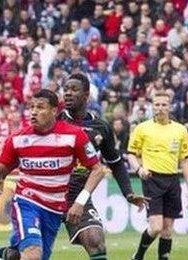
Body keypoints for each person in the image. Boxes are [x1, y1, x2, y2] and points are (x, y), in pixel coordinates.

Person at [0, 89, 107, 260]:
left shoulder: (74, 136)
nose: (34, 111)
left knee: (32, 257)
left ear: (54, 111)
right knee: (33, 255)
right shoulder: (17, 139)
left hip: (54, 209)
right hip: (27, 202)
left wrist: (79, 202)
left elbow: (98, 169)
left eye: (40, 107)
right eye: (31, 107)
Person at [57, 73, 149, 260]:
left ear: (86, 95)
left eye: (74, 89)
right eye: (65, 89)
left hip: (77, 194)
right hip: (48, 191)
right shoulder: (54, 121)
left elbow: (115, 164)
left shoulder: (101, 127)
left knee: (95, 240)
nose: (67, 93)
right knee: (30, 251)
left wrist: (128, 194)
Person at [127, 91, 188, 260]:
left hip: (173, 180)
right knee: (155, 227)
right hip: (152, 179)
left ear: (170, 107)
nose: (160, 108)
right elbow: (131, 154)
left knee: (167, 229)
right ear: (152, 107)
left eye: (163, 105)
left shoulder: (180, 130)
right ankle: (138, 255)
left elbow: (184, 161)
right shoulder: (142, 128)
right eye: (157, 105)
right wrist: (139, 170)